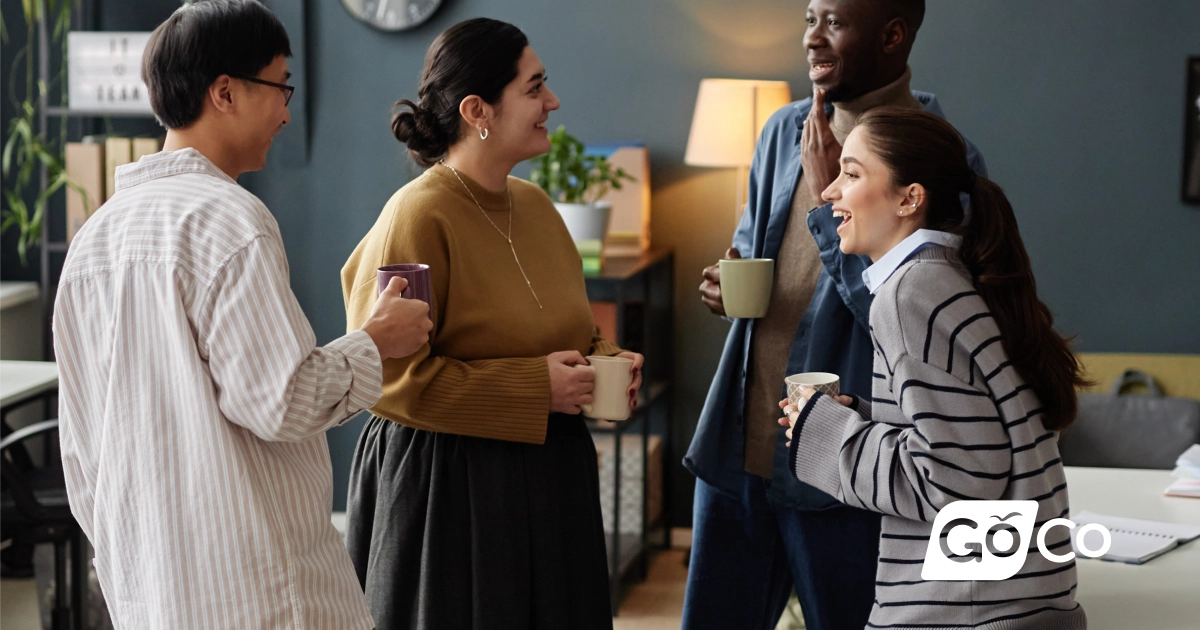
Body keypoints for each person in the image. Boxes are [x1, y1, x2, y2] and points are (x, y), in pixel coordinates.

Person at [52, 1, 433, 627]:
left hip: (151, 588)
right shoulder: (229, 219)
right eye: (281, 86)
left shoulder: (94, 241)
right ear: (224, 92)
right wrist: (375, 341)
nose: (287, 111)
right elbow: (283, 400)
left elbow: (82, 455)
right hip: (260, 586)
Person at [684, 0, 987, 627]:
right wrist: (726, 288)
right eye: (808, 19)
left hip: (849, 467)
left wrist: (829, 196)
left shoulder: (940, 159)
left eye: (834, 23)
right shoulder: (780, 132)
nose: (812, 40)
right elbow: (756, 256)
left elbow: (921, 328)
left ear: (893, 35)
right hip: (741, 450)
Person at [340, 18, 643, 630]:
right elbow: (390, 379)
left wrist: (607, 360)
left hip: (552, 475)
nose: (551, 102)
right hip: (451, 491)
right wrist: (538, 389)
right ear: (477, 108)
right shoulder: (417, 214)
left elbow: (568, 330)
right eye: (535, 88)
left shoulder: (535, 206)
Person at [780, 106, 1087, 629]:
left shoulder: (908, 295)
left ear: (909, 198)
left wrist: (828, 435)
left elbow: (956, 483)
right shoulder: (948, 277)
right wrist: (870, 417)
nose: (829, 192)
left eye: (851, 174)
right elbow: (973, 435)